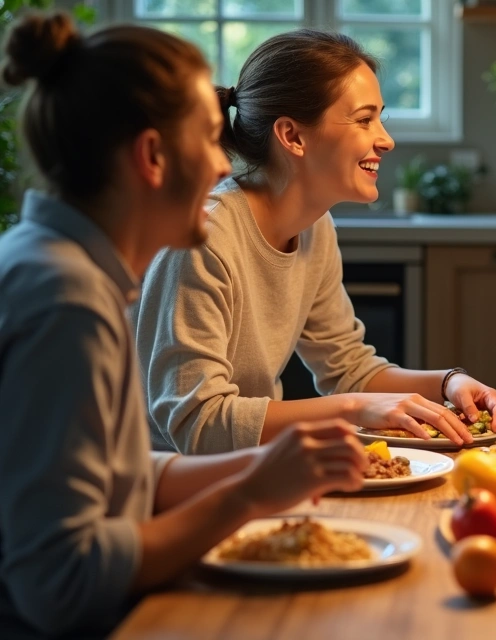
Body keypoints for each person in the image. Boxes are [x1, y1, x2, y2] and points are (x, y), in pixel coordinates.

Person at [0, 15, 367, 637]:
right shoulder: (67, 304)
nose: (224, 168)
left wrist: (267, 468)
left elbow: (117, 481)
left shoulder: (58, 267)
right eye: (206, 140)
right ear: (151, 157)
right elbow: (59, 587)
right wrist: (246, 497)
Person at [133, 30, 496, 454]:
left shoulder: (315, 226)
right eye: (364, 120)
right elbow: (196, 424)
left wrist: (446, 383)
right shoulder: (203, 239)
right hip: (161, 491)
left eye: (380, 118)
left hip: (247, 470)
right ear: (292, 136)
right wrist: (353, 409)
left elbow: (348, 367)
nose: (386, 139)